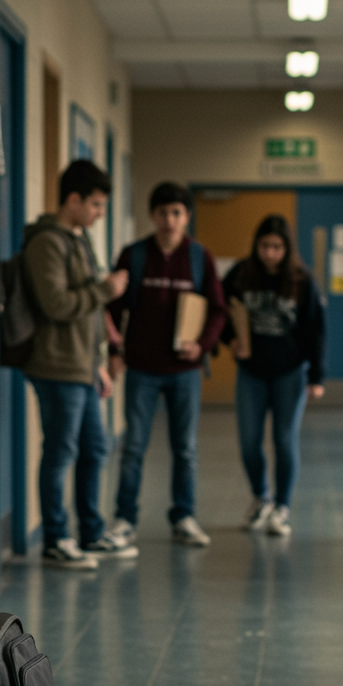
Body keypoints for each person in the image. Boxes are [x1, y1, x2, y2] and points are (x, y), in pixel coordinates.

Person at [22, 160, 135, 569]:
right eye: (96, 204)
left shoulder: (80, 240)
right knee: (60, 451)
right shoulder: (46, 242)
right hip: (55, 365)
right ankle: (56, 538)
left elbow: (89, 311)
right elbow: (57, 304)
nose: (100, 213)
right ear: (73, 199)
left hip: (83, 366)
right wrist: (103, 290)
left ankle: (90, 532)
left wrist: (100, 362)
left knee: (95, 448)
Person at [106, 182, 227, 547]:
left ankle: (184, 516)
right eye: (163, 213)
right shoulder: (134, 255)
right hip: (141, 367)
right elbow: (114, 307)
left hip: (184, 371)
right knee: (134, 447)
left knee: (185, 448)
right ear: (152, 216)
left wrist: (203, 346)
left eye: (177, 213)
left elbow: (218, 310)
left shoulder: (198, 258)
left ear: (187, 216)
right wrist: (114, 351)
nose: (169, 220)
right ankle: (125, 518)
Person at [222, 215, 326, 537]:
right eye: (265, 246)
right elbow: (220, 311)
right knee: (249, 442)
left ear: (287, 248)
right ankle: (260, 497)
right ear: (256, 245)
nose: (270, 253)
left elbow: (316, 329)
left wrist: (317, 376)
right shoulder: (239, 275)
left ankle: (282, 506)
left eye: (277, 247)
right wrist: (230, 339)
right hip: (251, 372)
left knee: (284, 441)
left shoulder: (301, 281)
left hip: (290, 373)